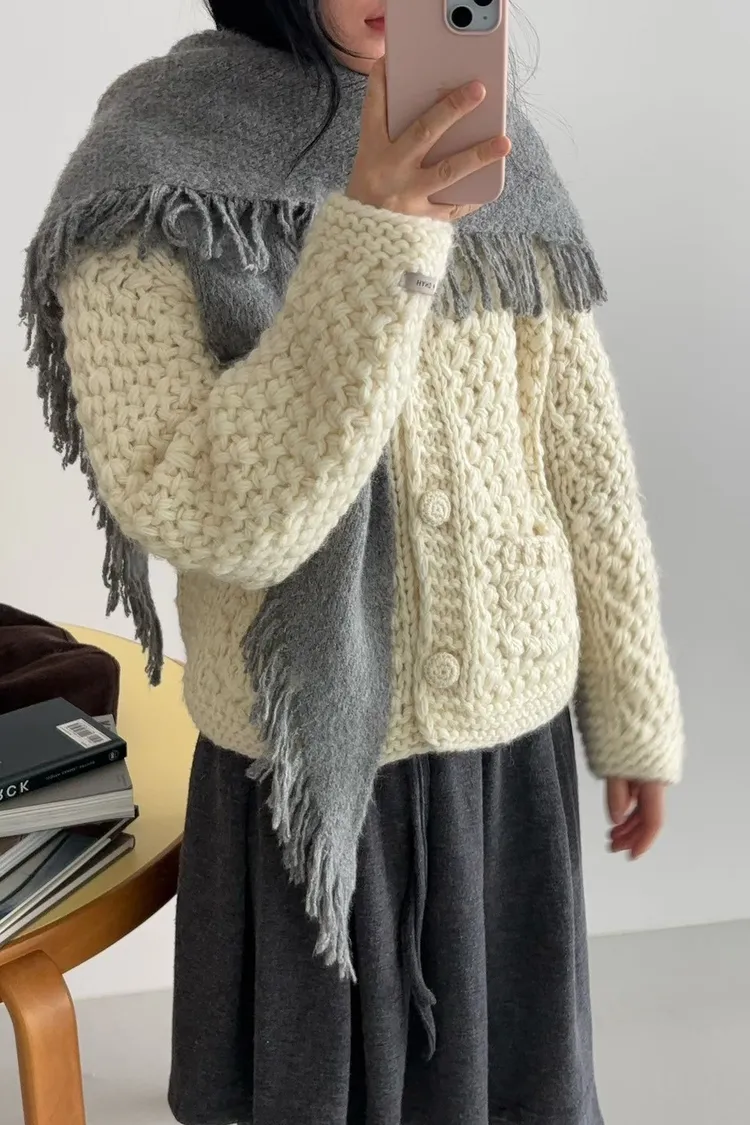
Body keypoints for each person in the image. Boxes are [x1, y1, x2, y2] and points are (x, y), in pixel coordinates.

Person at [23, 2, 684, 1123]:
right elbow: (200, 506)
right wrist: (376, 229)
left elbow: (583, 451)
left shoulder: (491, 139)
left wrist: (633, 707)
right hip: (303, 767)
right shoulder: (148, 163)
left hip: (505, 738)